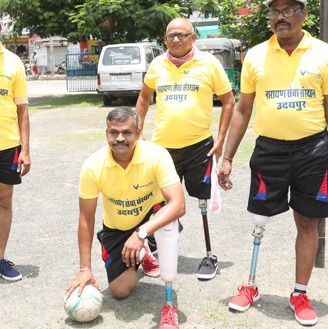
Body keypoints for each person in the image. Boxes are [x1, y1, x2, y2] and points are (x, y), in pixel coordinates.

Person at [218, 0, 328, 326]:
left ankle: (299, 293)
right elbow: (242, 109)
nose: (280, 16)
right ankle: (250, 285)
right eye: (274, 11)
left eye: (288, 9)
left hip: (313, 151)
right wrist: (226, 157)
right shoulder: (255, 55)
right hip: (269, 151)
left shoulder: (322, 52)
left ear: (304, 14)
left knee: (307, 222)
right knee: (258, 219)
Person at [66, 107, 185, 329]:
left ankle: (169, 306)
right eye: (113, 132)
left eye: (127, 132)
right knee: (120, 291)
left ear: (138, 132)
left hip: (152, 217)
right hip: (118, 228)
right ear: (106, 133)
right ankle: (143, 252)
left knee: (168, 221)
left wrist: (141, 233)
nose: (120, 138)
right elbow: (86, 219)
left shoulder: (156, 155)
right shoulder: (93, 165)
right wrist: (85, 269)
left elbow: (178, 204)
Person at [136, 17, 235, 280]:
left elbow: (228, 101)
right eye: (171, 36)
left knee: (201, 200)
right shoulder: (157, 64)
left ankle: (209, 254)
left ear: (193, 38)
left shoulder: (209, 63)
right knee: (159, 201)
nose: (176, 40)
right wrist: (138, 133)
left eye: (182, 35)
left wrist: (220, 140)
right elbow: (144, 98)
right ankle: (157, 246)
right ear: (165, 40)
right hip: (162, 149)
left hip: (199, 147)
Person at [0, 23, 31, 282]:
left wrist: (26, 150)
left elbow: (23, 111)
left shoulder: (13, 63)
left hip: (7, 145)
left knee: (3, 201)